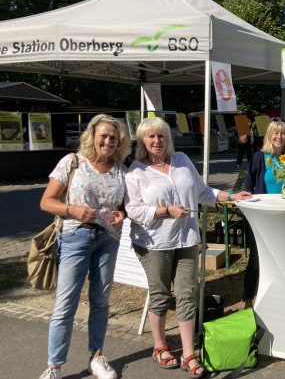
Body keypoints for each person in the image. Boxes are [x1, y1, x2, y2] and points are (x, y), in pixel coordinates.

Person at [124, 117, 251, 378]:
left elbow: (202, 192)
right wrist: (165, 211)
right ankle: (159, 346)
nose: (157, 140)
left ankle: (187, 352)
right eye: (151, 137)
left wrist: (231, 197)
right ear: (142, 141)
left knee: (187, 295)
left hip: (188, 238)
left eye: (161, 136)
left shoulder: (181, 159)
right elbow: (133, 210)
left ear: (167, 138)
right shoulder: (136, 171)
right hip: (154, 242)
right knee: (160, 295)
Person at [38, 114, 132, 379]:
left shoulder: (120, 170)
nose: (109, 141)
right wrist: (73, 210)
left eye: (114, 137)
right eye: (103, 135)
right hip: (74, 238)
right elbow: (46, 201)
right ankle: (54, 366)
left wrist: (122, 213)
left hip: (107, 239)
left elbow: (124, 205)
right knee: (65, 304)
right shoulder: (73, 162)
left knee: (101, 301)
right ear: (92, 136)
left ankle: (97, 356)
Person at [243, 120, 285, 308]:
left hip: (283, 216)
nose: (279, 137)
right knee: (256, 262)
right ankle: (249, 301)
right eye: (275, 133)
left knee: (282, 260)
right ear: (269, 136)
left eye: (283, 134)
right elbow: (248, 185)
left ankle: (277, 299)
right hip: (261, 217)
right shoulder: (260, 157)